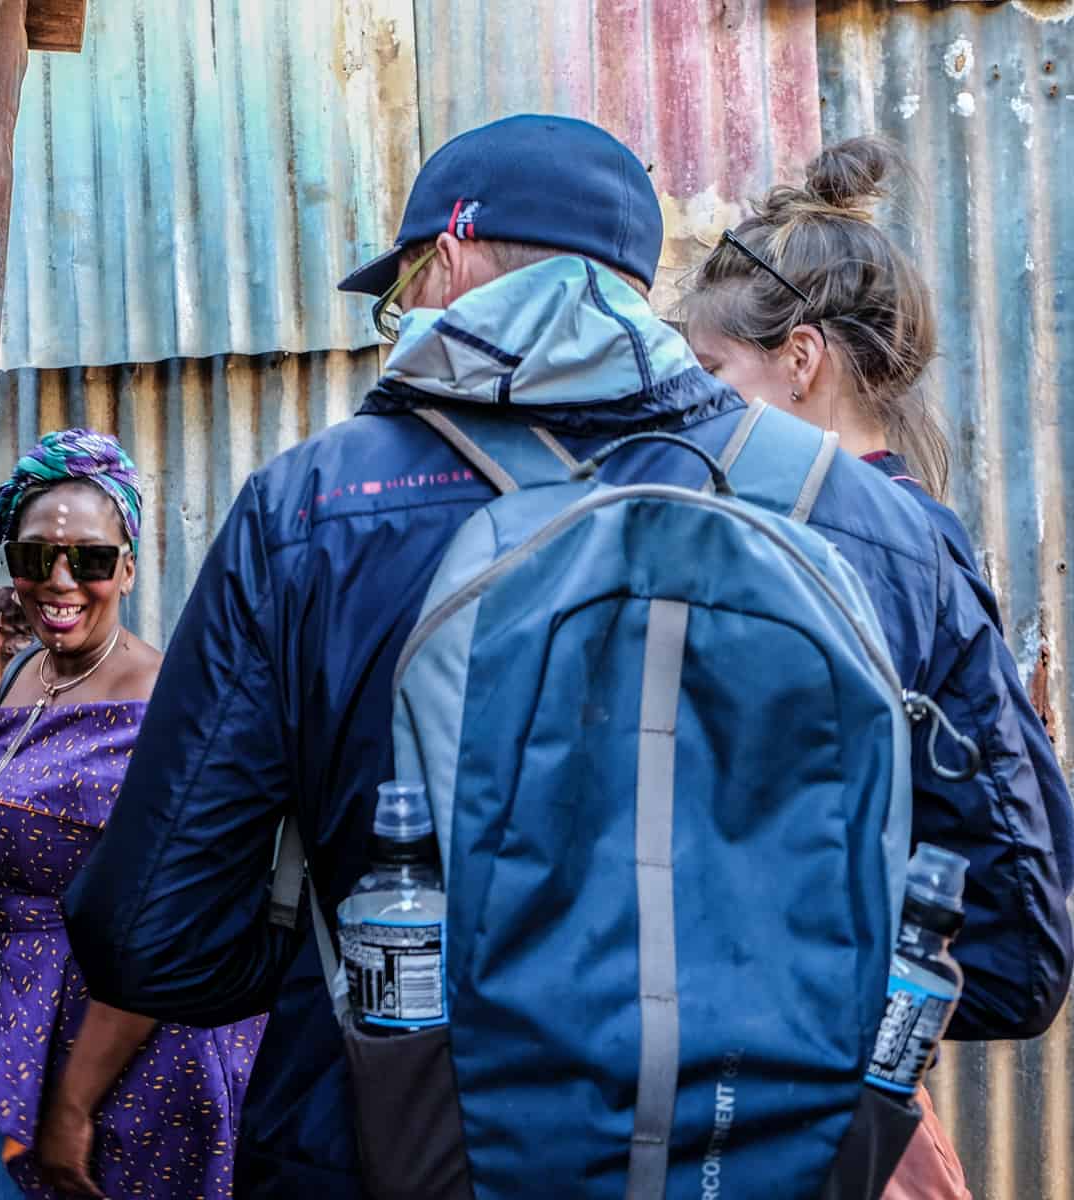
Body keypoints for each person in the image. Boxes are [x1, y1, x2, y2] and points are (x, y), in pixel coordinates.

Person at [61, 114, 1073, 1200]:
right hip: (754, 1168)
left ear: (447, 258)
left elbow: (148, 940)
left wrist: (350, 953)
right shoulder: (875, 526)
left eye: (399, 293)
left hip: (380, 1150)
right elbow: (1014, 961)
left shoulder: (315, 511)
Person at [681, 136, 1065, 1200]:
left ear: (800, 361)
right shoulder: (906, 534)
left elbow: (1014, 926)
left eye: (713, 377)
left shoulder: (863, 545)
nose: (693, 413)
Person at [0, 429, 263, 1200]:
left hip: (124, 1044)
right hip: (8, 1012)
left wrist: (75, 1106)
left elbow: (170, 916)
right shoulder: (22, 672)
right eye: (33, 556)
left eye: (88, 558)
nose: (58, 580)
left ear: (129, 567)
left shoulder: (167, 707)